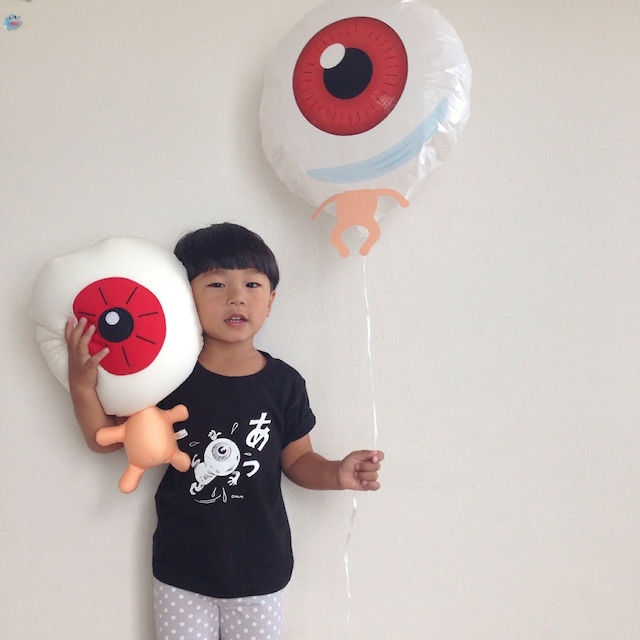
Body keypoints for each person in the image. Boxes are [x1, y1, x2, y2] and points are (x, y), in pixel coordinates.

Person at [65, 222, 384, 640]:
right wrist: (82, 386)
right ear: (185, 298)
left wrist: (335, 473)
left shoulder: (284, 384)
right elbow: (106, 439)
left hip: (260, 572)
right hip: (182, 571)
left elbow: (299, 460)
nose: (236, 296)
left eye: (252, 284)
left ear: (271, 300)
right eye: (216, 284)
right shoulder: (167, 379)